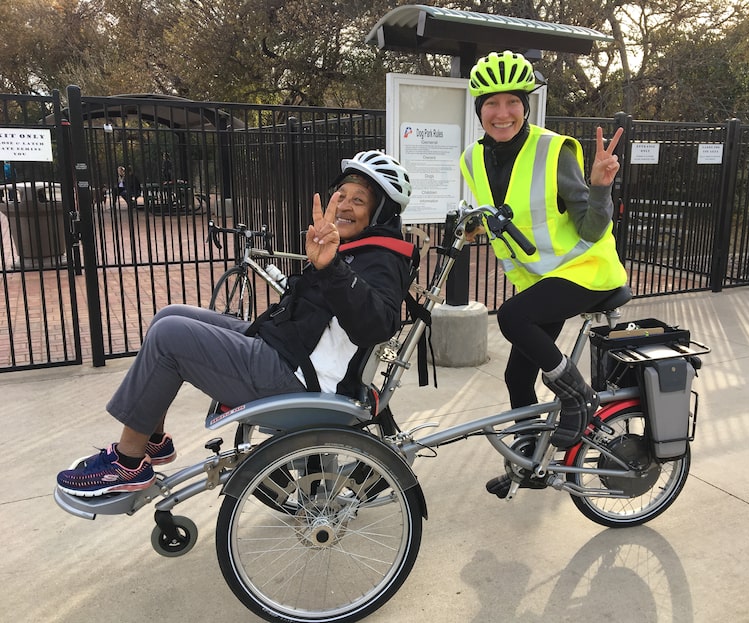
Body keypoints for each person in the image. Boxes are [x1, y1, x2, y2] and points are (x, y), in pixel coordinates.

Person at [57, 150, 413, 497]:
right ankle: (153, 440)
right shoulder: (356, 248)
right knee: (170, 315)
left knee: (169, 337)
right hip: (287, 349)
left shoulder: (380, 258)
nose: (345, 205)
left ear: (380, 212)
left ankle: (127, 463)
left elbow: (376, 324)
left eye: (359, 200)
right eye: (342, 195)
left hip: (299, 376)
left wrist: (330, 266)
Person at [459, 51, 628, 494]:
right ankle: (532, 461)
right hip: (542, 280)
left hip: (586, 272)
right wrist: (473, 224)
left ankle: (578, 397)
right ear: (479, 110)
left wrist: (600, 186)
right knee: (517, 375)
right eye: (491, 104)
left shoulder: (554, 150)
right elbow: (500, 211)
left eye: (512, 101)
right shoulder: (472, 160)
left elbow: (591, 227)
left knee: (512, 317)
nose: (502, 113)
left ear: (525, 105)